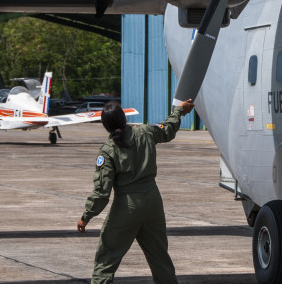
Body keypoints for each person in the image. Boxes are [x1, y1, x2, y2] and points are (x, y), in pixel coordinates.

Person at [77, 99, 195, 284]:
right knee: (159, 258)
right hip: (153, 202)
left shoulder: (108, 151)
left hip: (127, 206)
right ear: (124, 118)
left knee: (106, 259)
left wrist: (86, 216)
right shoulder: (146, 132)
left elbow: (101, 192)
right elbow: (168, 129)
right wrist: (179, 111)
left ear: (105, 126)